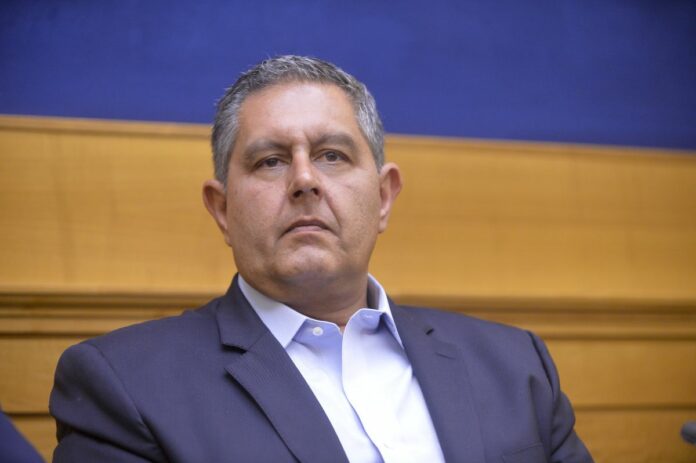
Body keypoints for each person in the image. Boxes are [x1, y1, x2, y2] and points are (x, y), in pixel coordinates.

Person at [49, 55, 593, 462]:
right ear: (222, 209)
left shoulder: (516, 367)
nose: (304, 179)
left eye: (332, 155)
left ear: (383, 197)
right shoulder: (124, 387)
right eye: (270, 161)